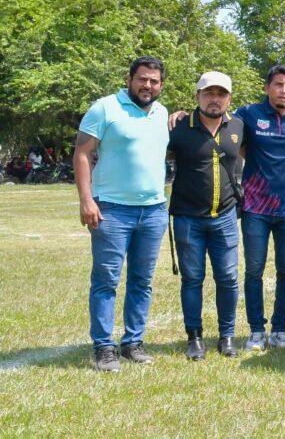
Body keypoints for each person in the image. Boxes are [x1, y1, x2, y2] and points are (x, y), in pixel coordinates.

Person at [75, 56, 170, 372]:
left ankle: (133, 343)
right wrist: (86, 199)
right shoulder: (104, 108)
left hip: (154, 210)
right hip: (112, 210)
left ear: (161, 85)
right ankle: (104, 347)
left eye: (154, 81)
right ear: (129, 79)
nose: (148, 85)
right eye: (142, 79)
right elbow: (82, 153)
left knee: (142, 281)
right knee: (106, 280)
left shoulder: (162, 113)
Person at [167, 71, 244, 360]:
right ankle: (195, 337)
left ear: (229, 99)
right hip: (188, 217)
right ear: (197, 96)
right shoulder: (178, 127)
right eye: (208, 93)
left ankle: (227, 336)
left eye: (221, 94)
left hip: (225, 216)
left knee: (228, 278)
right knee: (192, 279)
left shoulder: (238, 125)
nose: (215, 99)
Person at [233, 65, 285, 352]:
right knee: (254, 270)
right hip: (255, 208)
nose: (283, 90)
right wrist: (181, 115)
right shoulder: (248, 114)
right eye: (278, 84)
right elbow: (218, 120)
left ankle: (279, 329)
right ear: (267, 87)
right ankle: (256, 331)